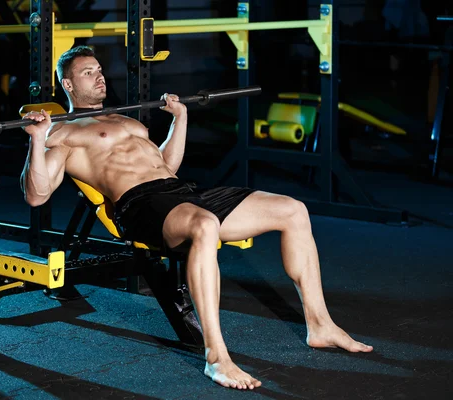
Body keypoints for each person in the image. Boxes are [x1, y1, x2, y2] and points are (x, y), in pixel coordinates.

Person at [21, 46, 373, 391]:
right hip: (140, 206)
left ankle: (320, 324)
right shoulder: (63, 132)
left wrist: (180, 119)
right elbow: (37, 194)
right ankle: (216, 357)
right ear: (67, 85)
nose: (99, 77)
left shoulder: (126, 119)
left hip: (182, 193)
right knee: (205, 225)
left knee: (292, 209)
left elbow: (167, 166)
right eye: (87, 73)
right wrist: (37, 142)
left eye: (98, 70)